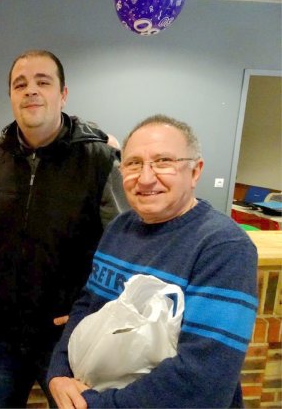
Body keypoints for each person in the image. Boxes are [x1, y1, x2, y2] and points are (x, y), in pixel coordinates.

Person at [0, 49, 128, 408]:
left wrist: (95, 305)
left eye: (43, 82)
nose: (30, 90)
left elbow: (123, 245)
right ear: (11, 96)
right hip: (0, 331)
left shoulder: (100, 161)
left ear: (63, 94)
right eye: (20, 85)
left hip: (68, 335)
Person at [47, 114, 258, 408]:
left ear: (195, 171)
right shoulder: (119, 228)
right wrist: (58, 373)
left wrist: (93, 404)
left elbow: (204, 383)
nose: (145, 178)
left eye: (163, 161)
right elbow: (87, 305)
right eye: (133, 164)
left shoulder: (224, 247)